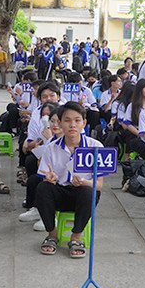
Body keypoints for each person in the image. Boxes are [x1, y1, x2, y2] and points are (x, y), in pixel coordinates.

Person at [36, 102, 105, 258]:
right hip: (60, 193)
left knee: (88, 191)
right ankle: (52, 235)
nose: (72, 125)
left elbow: (99, 185)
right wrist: (50, 179)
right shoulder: (51, 148)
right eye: (67, 120)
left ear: (84, 123)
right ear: (60, 123)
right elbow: (46, 176)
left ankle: (76, 237)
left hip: (83, 196)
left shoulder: (96, 147)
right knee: (42, 188)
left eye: (77, 120)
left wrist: (84, 182)